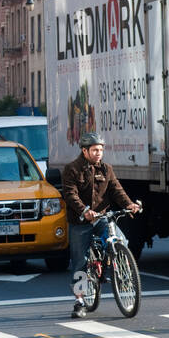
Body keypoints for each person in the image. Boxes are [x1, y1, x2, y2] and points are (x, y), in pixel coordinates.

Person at [61, 133, 142, 319]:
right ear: (85, 150)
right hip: (80, 221)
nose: (99, 153)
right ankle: (80, 301)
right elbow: (70, 194)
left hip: (102, 217)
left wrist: (129, 204)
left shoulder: (106, 169)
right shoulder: (72, 169)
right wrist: (84, 211)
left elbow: (117, 189)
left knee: (120, 240)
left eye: (101, 150)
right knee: (80, 262)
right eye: (95, 150)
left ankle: (112, 263)